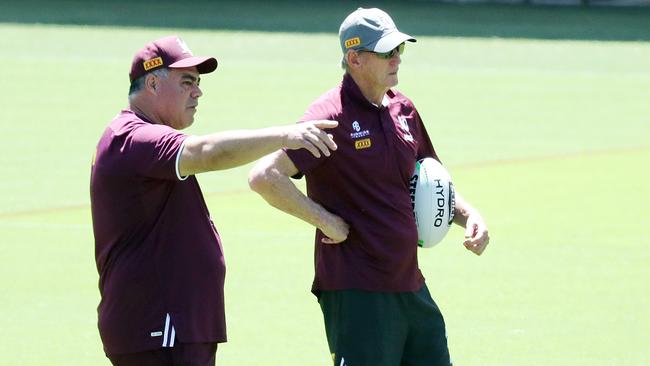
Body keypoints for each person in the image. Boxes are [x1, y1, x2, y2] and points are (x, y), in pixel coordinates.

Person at [248, 8, 490, 366]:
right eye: (386, 52)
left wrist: (470, 216)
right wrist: (325, 221)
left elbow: (431, 181)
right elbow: (265, 176)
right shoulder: (330, 116)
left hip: (409, 283)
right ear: (355, 58)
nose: (396, 59)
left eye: (399, 50)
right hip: (358, 291)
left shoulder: (403, 109)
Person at [90, 35, 338, 366]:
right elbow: (208, 152)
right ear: (152, 82)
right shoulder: (132, 137)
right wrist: (285, 135)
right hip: (159, 324)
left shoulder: (143, 140)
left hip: (175, 326)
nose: (198, 92)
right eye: (187, 82)